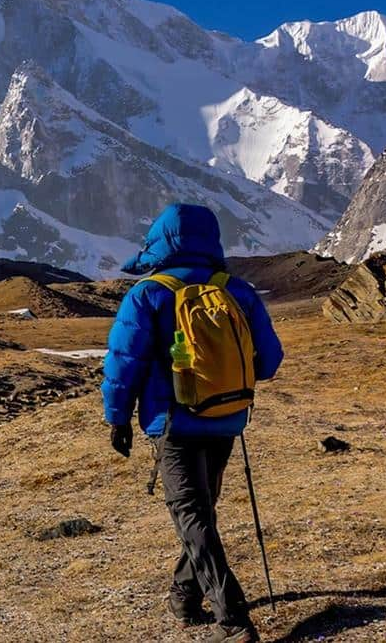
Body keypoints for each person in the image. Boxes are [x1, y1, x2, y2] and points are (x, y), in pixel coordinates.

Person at [101, 203, 283, 643]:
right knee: (199, 515)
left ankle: (233, 620)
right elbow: (270, 361)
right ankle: (184, 595)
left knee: (193, 517)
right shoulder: (236, 291)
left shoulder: (148, 293)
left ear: (160, 239)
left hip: (174, 424)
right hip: (226, 420)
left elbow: (124, 363)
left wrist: (118, 418)